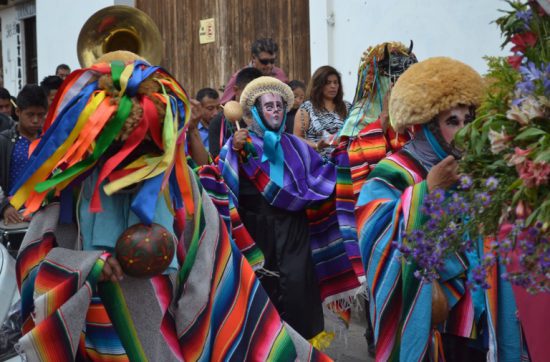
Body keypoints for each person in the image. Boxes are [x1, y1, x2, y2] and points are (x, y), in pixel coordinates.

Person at [10, 52, 328, 361]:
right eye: (122, 144)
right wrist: (86, 265)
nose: (134, 156)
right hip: (93, 334)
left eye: (146, 143)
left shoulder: (178, 180)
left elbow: (211, 263)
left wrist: (203, 322)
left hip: (165, 330)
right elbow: (32, 262)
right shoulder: (71, 185)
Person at [355, 57, 523, 361]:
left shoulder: (475, 166)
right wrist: (426, 191)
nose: (464, 131)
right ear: (428, 126)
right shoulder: (395, 171)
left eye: (468, 120)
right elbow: (373, 234)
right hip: (437, 318)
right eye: (452, 121)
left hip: (480, 310)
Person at [217, 76, 363, 343]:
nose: (275, 111)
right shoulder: (241, 144)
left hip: (294, 229)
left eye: (279, 106)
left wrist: (343, 158)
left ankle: (301, 347)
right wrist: (234, 150)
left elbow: (321, 177)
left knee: (298, 288)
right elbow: (223, 182)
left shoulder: (295, 145)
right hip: (256, 229)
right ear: (256, 112)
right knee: (262, 291)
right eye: (268, 106)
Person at [0, 84, 47, 225]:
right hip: (13, 215)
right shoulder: (4, 141)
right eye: (30, 114)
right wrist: (4, 207)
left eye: (40, 115)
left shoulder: (49, 141)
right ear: (18, 111)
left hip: (44, 214)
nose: (35, 120)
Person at [294, 66, 350, 158]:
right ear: (318, 85)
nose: (333, 86)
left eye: (336, 82)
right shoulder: (306, 108)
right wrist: (316, 145)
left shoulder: (347, 107)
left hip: (343, 164)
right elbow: (297, 138)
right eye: (328, 83)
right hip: (317, 164)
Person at [208, 67, 262, 158]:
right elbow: (215, 161)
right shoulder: (219, 122)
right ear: (236, 90)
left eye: (259, 92)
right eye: (249, 92)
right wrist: (233, 147)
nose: (254, 97)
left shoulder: (266, 119)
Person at [220, 38, 288, 104]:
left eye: (272, 61)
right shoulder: (240, 76)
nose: (269, 65)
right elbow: (223, 106)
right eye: (264, 61)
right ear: (253, 58)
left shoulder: (280, 75)